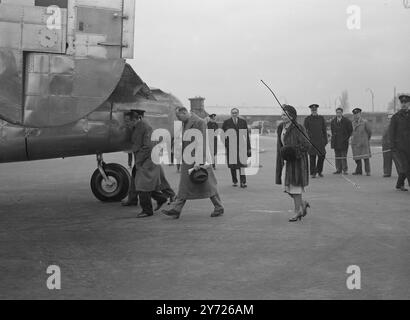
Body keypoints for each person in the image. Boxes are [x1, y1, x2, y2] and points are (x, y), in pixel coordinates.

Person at [162, 107, 224, 219]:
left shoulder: (199, 122)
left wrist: (199, 161)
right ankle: (176, 209)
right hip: (188, 159)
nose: (178, 119)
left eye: (179, 116)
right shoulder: (185, 122)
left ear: (184, 112)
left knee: (207, 183)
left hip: (197, 159)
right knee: (185, 185)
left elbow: (202, 142)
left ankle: (219, 207)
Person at [125, 109, 171, 218]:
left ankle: (147, 210)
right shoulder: (137, 126)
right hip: (143, 159)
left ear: (136, 119)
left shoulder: (145, 127)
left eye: (128, 121)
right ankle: (161, 198)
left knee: (142, 185)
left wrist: (139, 162)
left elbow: (147, 147)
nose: (126, 123)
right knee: (142, 183)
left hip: (147, 159)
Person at [276, 105, 311, 223]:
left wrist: (294, 151)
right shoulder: (281, 127)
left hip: (297, 164)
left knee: (295, 188)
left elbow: (306, 145)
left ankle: (297, 212)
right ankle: (303, 203)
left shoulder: (298, 128)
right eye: (282, 114)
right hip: (286, 162)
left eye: (285, 114)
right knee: (286, 188)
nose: (282, 116)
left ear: (291, 116)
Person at [222, 108, 251, 188]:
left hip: (241, 146)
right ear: (231, 113)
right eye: (233, 113)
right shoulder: (226, 122)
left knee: (242, 165)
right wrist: (227, 145)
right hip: (231, 147)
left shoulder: (243, 122)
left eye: (235, 113)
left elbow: (246, 135)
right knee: (232, 165)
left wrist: (248, 147)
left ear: (238, 113)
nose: (234, 114)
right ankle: (234, 180)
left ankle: (243, 182)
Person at [390, 94, 410, 192]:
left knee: (405, 168)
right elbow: (391, 132)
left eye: (406, 102)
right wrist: (392, 146)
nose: (404, 104)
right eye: (402, 102)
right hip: (400, 147)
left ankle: (399, 184)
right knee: (406, 166)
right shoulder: (396, 117)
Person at [303, 104, 328, 178]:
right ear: (311, 110)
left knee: (322, 156)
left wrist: (325, 140)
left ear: (317, 110)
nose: (314, 111)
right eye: (312, 110)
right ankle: (313, 172)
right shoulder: (307, 119)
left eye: (315, 110)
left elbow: (324, 130)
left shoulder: (321, 118)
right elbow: (304, 131)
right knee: (312, 157)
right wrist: (306, 140)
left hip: (320, 141)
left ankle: (319, 171)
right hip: (311, 141)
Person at [330, 108, 353, 175]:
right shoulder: (333, 121)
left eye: (340, 112)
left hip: (344, 141)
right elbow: (332, 131)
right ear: (336, 113)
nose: (338, 114)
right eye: (337, 112)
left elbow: (350, 131)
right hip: (336, 141)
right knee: (337, 156)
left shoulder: (347, 121)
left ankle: (345, 169)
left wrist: (346, 138)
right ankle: (338, 169)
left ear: (342, 113)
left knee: (343, 156)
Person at [351, 108, 372, 176]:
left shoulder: (365, 122)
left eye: (357, 114)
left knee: (366, 158)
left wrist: (366, 139)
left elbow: (369, 132)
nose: (356, 115)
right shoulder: (353, 123)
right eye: (355, 114)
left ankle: (368, 171)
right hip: (356, 143)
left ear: (360, 114)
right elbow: (352, 132)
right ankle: (359, 171)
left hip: (363, 143)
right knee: (357, 158)